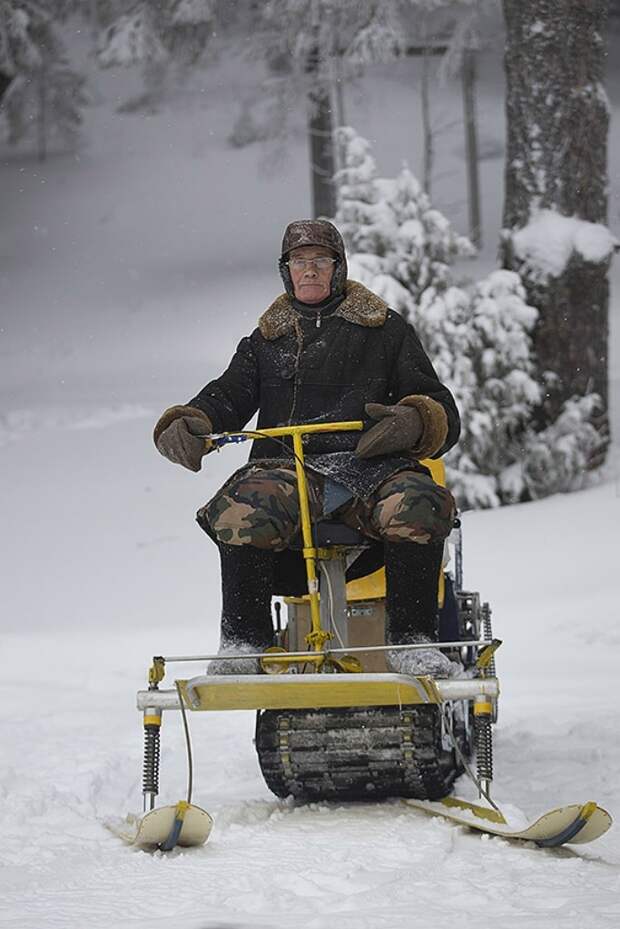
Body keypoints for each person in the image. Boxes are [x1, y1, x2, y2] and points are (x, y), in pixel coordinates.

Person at [154, 219, 461, 676]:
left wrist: (413, 421)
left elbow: (440, 409)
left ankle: (413, 641)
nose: (310, 271)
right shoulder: (266, 341)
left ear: (338, 268)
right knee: (241, 507)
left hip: (370, 469)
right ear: (286, 271)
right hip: (287, 470)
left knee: (419, 502)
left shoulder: (386, 331)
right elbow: (227, 397)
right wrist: (188, 422)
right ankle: (245, 643)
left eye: (320, 261)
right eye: (300, 263)